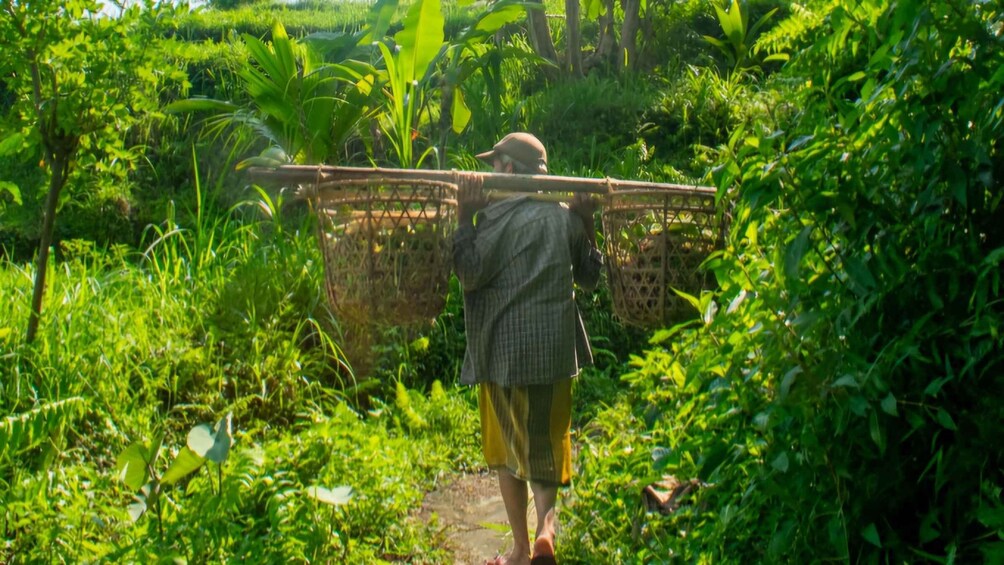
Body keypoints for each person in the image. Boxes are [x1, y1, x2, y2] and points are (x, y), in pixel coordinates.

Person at [452, 132, 603, 565]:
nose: (491, 172)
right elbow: (590, 278)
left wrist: (464, 216)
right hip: (552, 354)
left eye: (496, 164)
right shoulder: (563, 217)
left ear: (509, 169)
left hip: (501, 353)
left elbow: (469, 274)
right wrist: (587, 221)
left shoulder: (493, 221)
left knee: (506, 453)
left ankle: (520, 548)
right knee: (547, 447)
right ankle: (546, 532)